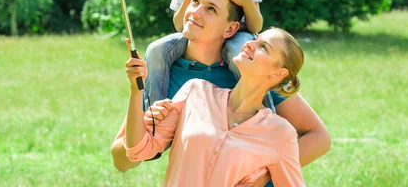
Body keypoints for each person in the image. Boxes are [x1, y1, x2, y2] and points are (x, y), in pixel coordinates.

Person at [112, 0, 331, 185]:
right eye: (195, 1)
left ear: (231, 29)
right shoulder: (172, 77)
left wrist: (261, 177)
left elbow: (317, 137)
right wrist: (140, 101)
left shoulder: (251, 72)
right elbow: (125, 158)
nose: (196, 12)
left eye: (211, 9)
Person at [122, 26, 306, 186]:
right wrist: (136, 89)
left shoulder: (281, 134)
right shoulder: (195, 92)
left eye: (264, 47)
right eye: (256, 39)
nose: (250, 44)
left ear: (278, 73)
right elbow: (139, 150)